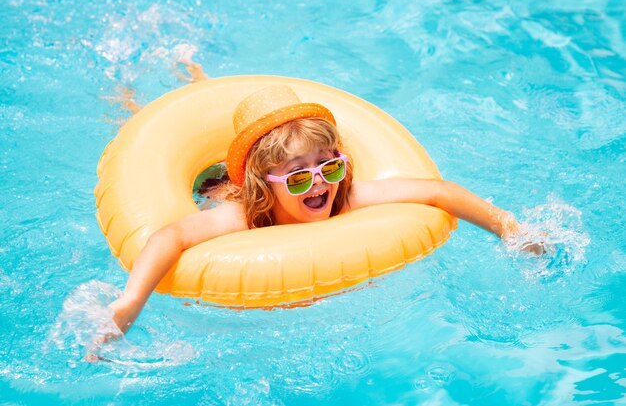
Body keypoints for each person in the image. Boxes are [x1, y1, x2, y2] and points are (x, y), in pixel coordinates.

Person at [106, 83, 542, 336]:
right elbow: (171, 236)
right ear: (265, 185)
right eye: (298, 177)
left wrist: (510, 228)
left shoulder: (345, 195)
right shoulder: (246, 215)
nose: (318, 183)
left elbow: (437, 193)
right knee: (139, 114)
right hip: (217, 186)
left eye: (329, 167)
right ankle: (132, 100)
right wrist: (129, 303)